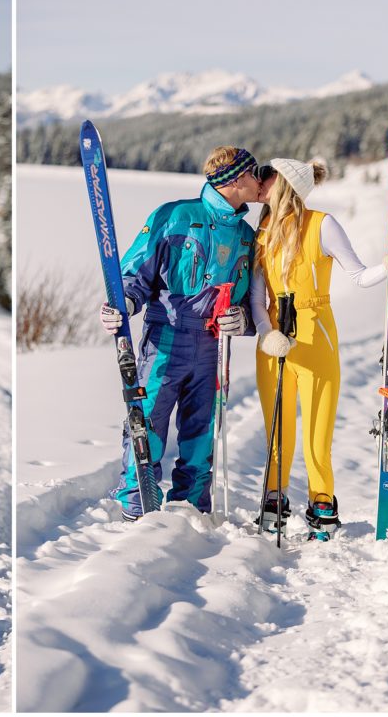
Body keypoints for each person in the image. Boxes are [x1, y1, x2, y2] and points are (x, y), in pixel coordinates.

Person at [249, 158, 388, 541]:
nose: (260, 180)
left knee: (317, 430)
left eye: (267, 175)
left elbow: (358, 275)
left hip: (315, 336)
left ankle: (321, 500)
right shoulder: (261, 230)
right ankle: (274, 497)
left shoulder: (322, 224)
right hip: (275, 339)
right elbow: (257, 296)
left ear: (286, 183)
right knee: (277, 428)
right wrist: (265, 332)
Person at [99, 146, 260, 520]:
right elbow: (136, 273)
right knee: (147, 424)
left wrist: (243, 322)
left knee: (202, 436)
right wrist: (122, 302)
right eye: (254, 174)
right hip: (167, 340)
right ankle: (137, 506)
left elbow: (255, 302)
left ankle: (191, 513)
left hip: (215, 348)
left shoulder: (248, 237)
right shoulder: (175, 216)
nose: (259, 180)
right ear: (235, 180)